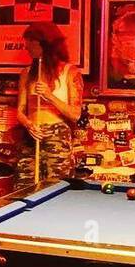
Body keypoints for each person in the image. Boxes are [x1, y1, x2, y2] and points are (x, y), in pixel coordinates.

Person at [15, 21, 83, 187]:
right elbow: (20, 111)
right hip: (31, 136)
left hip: (57, 137)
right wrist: (28, 124)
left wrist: (49, 95)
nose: (26, 46)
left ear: (44, 43)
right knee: (23, 188)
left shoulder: (70, 72)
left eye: (30, 41)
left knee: (56, 187)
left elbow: (75, 114)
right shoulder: (26, 73)